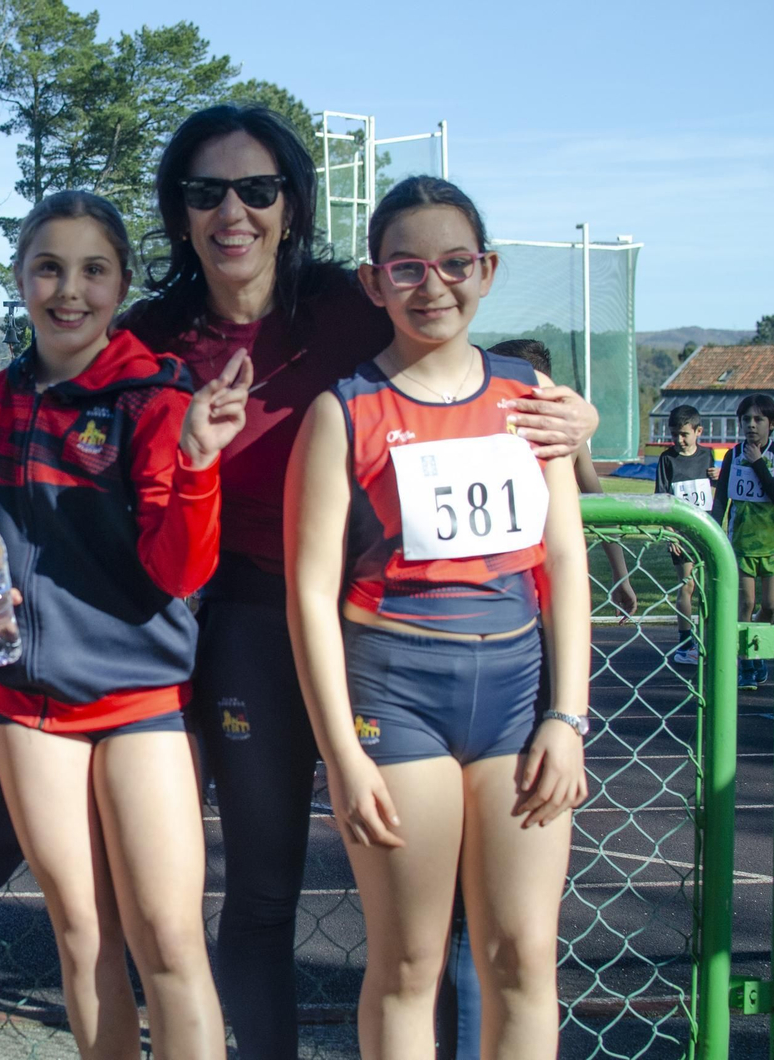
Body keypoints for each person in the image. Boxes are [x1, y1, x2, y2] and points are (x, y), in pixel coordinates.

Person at [110, 103, 600, 1058]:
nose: (234, 213)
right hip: (246, 621)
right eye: (207, 193)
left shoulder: (352, 303)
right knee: (260, 889)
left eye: (258, 190)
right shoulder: (150, 338)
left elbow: (476, 396)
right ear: (179, 213)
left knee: (456, 921)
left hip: (384, 634)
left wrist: (577, 428)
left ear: (291, 204)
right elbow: (48, 405)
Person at [286, 176, 590, 1059]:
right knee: (411, 958)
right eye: (408, 267)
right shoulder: (343, 411)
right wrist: (342, 752)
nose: (435, 285)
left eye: (455, 263)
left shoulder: (532, 396)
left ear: (486, 270)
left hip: (519, 695)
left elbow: (563, 559)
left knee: (523, 956)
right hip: (398, 693)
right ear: (374, 282)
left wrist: (568, 718)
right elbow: (310, 593)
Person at [0, 190, 248, 1058]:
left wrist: (196, 460)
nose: (68, 290)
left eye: (92, 269)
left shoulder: (156, 399)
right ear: (19, 278)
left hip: (141, 703)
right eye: (48, 267)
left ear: (121, 283)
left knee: (166, 940)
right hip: (28, 707)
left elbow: (181, 570)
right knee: (82, 940)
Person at [490, 339, 636, 620]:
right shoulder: (485, 432)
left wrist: (622, 576)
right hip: (504, 580)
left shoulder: (567, 440)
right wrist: (621, 575)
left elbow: (602, 507)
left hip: (543, 577)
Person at [710, 393, 774, 689]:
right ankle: (747, 662)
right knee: (746, 602)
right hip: (740, 543)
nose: (752, 425)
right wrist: (712, 532)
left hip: (771, 544)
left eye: (758, 420)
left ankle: (754, 648)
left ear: (773, 424)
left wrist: (758, 464)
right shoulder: (732, 454)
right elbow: (721, 499)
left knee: (769, 606)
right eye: (746, 419)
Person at [654, 404, 717, 663]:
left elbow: (715, 490)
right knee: (687, 585)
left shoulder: (708, 456)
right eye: (674, 434)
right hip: (681, 534)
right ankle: (685, 642)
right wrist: (670, 533)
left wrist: (717, 478)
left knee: (708, 587)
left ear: (698, 431)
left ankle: (710, 638)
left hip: (705, 532)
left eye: (684, 434)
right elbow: (660, 498)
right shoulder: (667, 459)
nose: (678, 440)